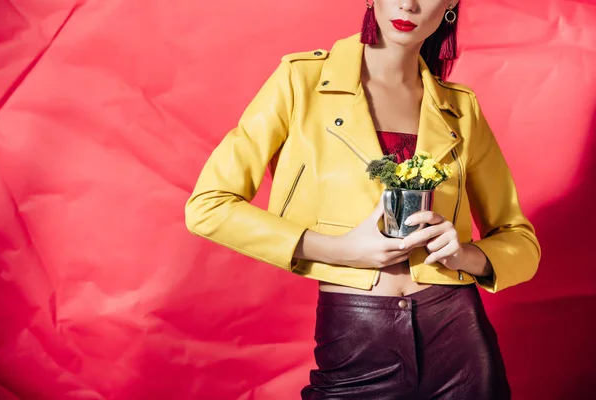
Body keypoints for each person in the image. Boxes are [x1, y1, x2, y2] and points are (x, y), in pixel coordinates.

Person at [185, 0, 541, 398]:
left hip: (458, 335)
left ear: (451, 4)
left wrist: (464, 257)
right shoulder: (300, 80)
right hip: (357, 335)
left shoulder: (459, 107)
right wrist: (342, 250)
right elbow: (209, 206)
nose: (408, 4)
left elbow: (520, 241)